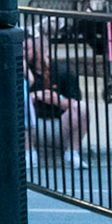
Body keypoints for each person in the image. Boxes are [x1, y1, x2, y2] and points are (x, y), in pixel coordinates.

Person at [24, 37, 89, 170]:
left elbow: (75, 101)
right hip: (30, 127)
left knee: (82, 107)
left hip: (60, 125)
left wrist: (57, 100)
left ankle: (72, 152)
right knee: (18, 104)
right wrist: (34, 95)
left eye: (27, 49)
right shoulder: (21, 71)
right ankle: (29, 152)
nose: (22, 53)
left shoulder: (61, 70)